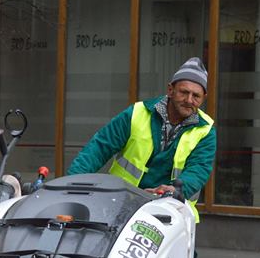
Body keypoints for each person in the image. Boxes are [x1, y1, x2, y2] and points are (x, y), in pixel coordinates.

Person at [66, 57, 216, 221]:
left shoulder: (205, 130)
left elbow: (199, 169)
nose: (189, 100)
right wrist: (71, 183)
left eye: (196, 96)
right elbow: (99, 147)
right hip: (122, 205)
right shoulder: (137, 113)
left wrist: (176, 190)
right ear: (170, 90)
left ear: (204, 98)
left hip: (172, 211)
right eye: (184, 92)